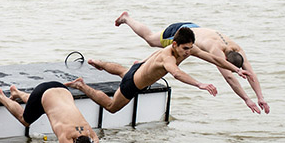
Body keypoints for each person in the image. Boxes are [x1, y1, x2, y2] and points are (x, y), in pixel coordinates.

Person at [114, 11, 269, 113]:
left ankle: (141, 62)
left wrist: (260, 97)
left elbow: (251, 74)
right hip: (180, 32)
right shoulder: (216, 50)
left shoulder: (237, 49)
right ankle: (126, 18)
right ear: (226, 58)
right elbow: (229, 77)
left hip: (194, 29)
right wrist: (247, 99)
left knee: (169, 55)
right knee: (151, 39)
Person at [66, 26, 217, 113]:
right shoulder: (169, 57)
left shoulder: (172, 48)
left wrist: (236, 69)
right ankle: (81, 85)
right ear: (175, 44)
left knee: (123, 72)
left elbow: (215, 58)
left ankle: (98, 62)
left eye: (190, 48)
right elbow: (176, 73)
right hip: (133, 83)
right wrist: (199, 84)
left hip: (138, 68)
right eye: (185, 48)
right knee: (111, 107)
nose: (188, 52)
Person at [0, 83, 98, 143]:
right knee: (25, 120)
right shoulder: (66, 134)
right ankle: (0, 96)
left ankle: (16, 93)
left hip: (62, 89)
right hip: (42, 93)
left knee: (39, 105)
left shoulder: (89, 131)